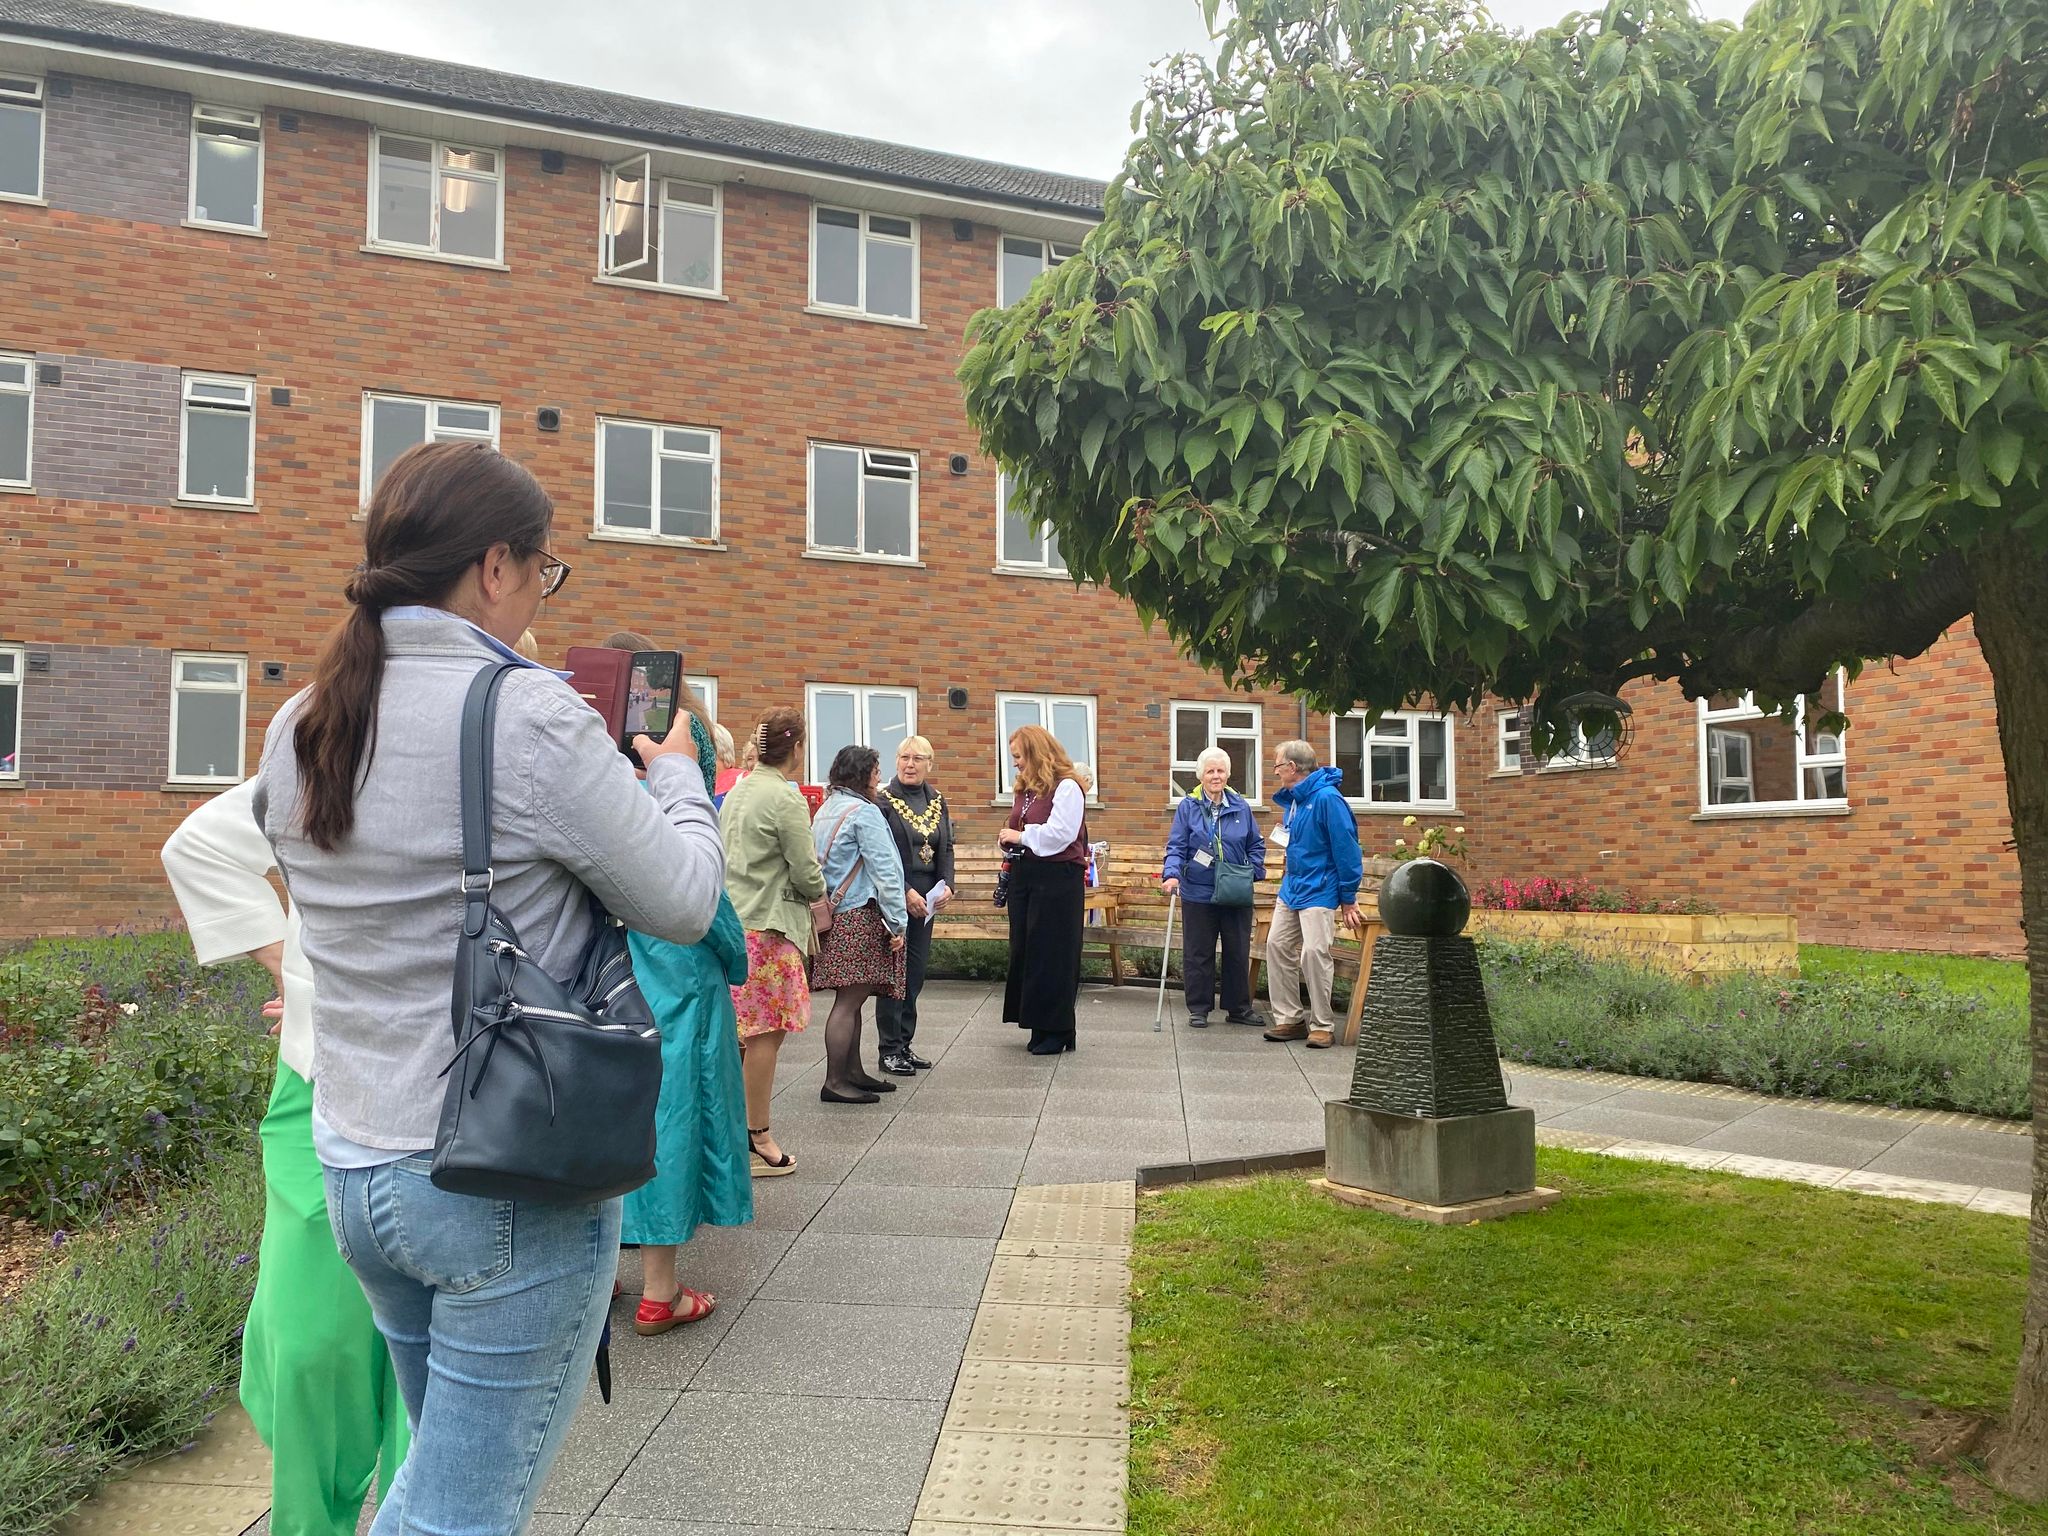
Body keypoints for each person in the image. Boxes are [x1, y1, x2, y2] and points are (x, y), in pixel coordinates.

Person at [251, 439, 725, 1536]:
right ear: (498, 566)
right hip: (503, 1177)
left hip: (358, 1167)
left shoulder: (300, 723)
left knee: (436, 1481)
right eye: (546, 571)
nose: (540, 597)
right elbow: (685, 902)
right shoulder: (524, 712)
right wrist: (680, 779)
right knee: (459, 1513)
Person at [161, 787, 406, 1536]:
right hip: (320, 1077)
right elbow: (198, 846)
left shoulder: (516, 720)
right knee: (307, 1344)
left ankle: (417, 1517)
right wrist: (290, 967)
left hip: (464, 1092)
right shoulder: (328, 730)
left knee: (430, 1367)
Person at [602, 629, 751, 1338]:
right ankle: (659, 1290)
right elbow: (699, 868)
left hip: (597, 948)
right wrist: (733, 952)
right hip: (672, 945)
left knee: (598, 1104)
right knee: (670, 1109)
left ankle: (597, 1277)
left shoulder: (582, 732)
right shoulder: (685, 734)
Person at [720, 707, 826, 1173]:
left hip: (732, 920)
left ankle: (730, 1132)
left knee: (737, 1035)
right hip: (770, 926)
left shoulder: (739, 790)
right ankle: (756, 1136)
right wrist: (820, 889)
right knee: (766, 1034)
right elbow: (806, 873)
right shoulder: (786, 798)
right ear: (796, 748)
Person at [811, 745, 909, 1102]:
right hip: (859, 917)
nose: (880, 778)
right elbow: (886, 869)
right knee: (849, 1002)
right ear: (862, 775)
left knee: (850, 999)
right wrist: (897, 922)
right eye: (876, 771)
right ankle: (836, 1081)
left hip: (833, 917)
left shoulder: (826, 809)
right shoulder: (864, 813)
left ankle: (853, 1073)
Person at [1261, 739, 1364, 1049]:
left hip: (1320, 889)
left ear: (1293, 768)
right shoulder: (1296, 799)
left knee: (1313, 953)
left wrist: (1348, 897)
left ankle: (1322, 1025)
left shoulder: (1327, 799)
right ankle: (1290, 1020)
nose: (1276, 772)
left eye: (1278, 766)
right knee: (1276, 945)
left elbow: (1346, 850)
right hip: (1292, 887)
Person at [1161, 746, 1268, 1029]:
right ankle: (1199, 1008)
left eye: (1220, 771)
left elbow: (1255, 844)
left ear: (1228, 774)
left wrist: (1252, 871)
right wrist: (1172, 874)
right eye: (1210, 771)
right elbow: (1176, 846)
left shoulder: (1241, 806)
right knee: (1198, 951)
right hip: (1199, 889)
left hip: (1235, 889)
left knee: (1237, 949)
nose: (1216, 776)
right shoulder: (1188, 806)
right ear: (1201, 776)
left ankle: (1238, 1008)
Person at [999, 724, 1089, 1055]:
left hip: (1058, 879)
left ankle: (1058, 1028)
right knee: (1028, 951)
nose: (1016, 764)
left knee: (1053, 953)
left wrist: (1021, 837)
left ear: (1036, 754)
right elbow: (1022, 829)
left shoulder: (1067, 787)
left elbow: (1061, 834)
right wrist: (1010, 837)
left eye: (1019, 757)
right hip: (1028, 875)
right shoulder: (1026, 789)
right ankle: (1039, 1024)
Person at [874, 735, 954, 1076]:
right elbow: (879, 854)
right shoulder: (884, 800)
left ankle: (905, 1044)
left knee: (915, 974)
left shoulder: (936, 800)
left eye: (918, 758)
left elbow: (946, 847)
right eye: (905, 757)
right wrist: (905, 890)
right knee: (895, 973)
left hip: (928, 897)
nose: (910, 764)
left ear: (929, 764)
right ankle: (888, 1049)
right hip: (896, 893)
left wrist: (947, 884)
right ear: (896, 762)